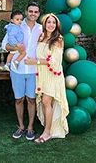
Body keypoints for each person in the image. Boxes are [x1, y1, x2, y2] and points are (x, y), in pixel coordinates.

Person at [25, 13, 69, 143]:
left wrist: (35, 62)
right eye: (49, 22)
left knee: (46, 101)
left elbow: (55, 61)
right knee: (46, 103)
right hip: (42, 75)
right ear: (44, 24)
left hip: (52, 75)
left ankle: (47, 132)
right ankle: (48, 127)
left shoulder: (58, 39)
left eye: (53, 23)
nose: (51, 25)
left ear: (57, 25)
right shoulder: (41, 36)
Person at [2, 2, 42, 140]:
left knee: (31, 99)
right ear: (26, 12)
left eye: (36, 12)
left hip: (33, 70)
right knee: (19, 99)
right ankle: (21, 126)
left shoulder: (41, 29)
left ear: (39, 14)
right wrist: (16, 49)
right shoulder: (17, 25)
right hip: (17, 69)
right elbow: (5, 45)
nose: (33, 14)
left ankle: (30, 127)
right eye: (30, 11)